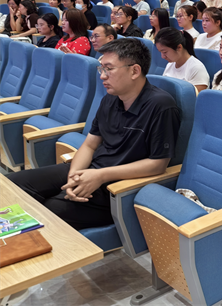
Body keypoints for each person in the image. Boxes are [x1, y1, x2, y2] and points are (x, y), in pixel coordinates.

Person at [9, 39, 180, 230]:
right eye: (101, 69)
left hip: (118, 186)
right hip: (92, 170)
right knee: (14, 184)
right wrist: (74, 176)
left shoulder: (161, 105)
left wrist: (100, 175)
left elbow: (158, 164)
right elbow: (90, 145)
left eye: (109, 69)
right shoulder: (110, 99)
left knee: (47, 212)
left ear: (134, 71)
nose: (102, 76)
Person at [156, 27, 209, 93]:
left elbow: (194, 98)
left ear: (179, 47)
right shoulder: (170, 65)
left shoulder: (197, 68)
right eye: (160, 52)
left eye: (165, 52)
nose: (162, 56)